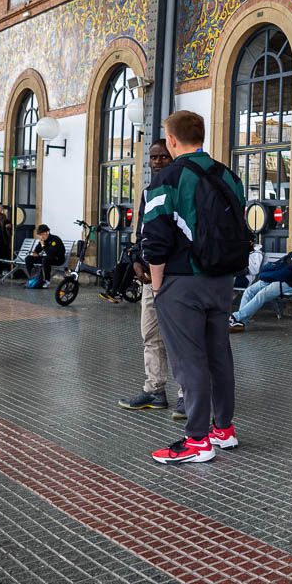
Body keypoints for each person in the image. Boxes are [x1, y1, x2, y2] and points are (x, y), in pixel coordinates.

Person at [141, 112, 245, 463]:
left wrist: (158, 288)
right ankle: (223, 430)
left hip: (182, 283)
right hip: (222, 280)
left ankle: (197, 439)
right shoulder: (229, 176)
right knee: (219, 355)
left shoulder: (166, 178)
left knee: (189, 360)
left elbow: (155, 240)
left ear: (171, 140)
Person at [118, 140, 176, 413]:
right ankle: (155, 390)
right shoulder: (148, 191)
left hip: (175, 276)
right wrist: (137, 261)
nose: (158, 162)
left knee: (178, 337)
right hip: (150, 277)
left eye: (164, 156)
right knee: (150, 335)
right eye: (154, 157)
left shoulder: (180, 188)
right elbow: (143, 232)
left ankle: (186, 394)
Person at [229, 225, 292, 331]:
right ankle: (241, 323)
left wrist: (290, 263)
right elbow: (279, 264)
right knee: (249, 291)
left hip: (290, 283)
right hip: (276, 278)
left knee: (262, 294)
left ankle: (236, 317)